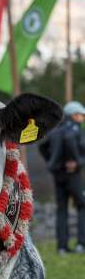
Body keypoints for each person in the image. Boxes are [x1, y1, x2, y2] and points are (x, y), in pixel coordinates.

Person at [39, 101, 85, 255]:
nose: (82, 117)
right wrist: (76, 161)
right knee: (81, 206)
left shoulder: (55, 129)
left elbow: (42, 146)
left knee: (62, 210)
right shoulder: (74, 129)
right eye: (80, 114)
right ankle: (81, 244)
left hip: (57, 174)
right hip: (73, 174)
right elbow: (71, 141)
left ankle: (62, 247)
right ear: (73, 114)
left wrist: (51, 161)